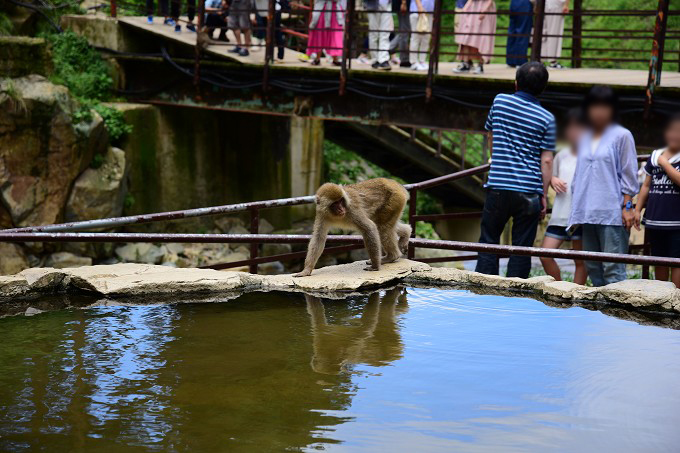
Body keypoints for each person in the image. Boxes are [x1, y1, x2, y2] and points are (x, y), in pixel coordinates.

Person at [475, 62, 556, 278]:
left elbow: (490, 136)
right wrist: (543, 195)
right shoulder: (547, 118)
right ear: (543, 88)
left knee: (489, 242)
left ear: (516, 83)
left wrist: (498, 158)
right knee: (521, 249)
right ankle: (515, 299)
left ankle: (482, 294)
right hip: (529, 191)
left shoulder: (500, 101)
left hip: (499, 186)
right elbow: (547, 161)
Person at [568, 86, 639, 287]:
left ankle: (617, 316)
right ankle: (600, 315)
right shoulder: (584, 136)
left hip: (612, 214)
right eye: (594, 107)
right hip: (587, 213)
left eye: (604, 107)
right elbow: (578, 176)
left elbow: (629, 174)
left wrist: (627, 208)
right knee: (593, 268)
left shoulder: (622, 135)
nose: (599, 112)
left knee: (613, 270)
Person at [539, 109, 587, 284]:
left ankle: (576, 296)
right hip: (560, 215)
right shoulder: (561, 155)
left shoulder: (591, 155)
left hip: (581, 218)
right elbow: (551, 175)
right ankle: (559, 289)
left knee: (580, 261)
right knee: (544, 254)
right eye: (571, 129)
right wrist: (552, 179)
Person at [635, 114, 680, 288]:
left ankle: (676, 301)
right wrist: (638, 209)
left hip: (677, 221)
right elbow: (646, 186)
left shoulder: (662, 160)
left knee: (677, 260)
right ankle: (661, 297)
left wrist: (665, 164)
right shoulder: (655, 156)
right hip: (655, 219)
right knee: (659, 258)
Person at [454, 0, 497, 74]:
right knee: (466, 36)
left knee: (482, 36)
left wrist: (485, 10)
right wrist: (466, 8)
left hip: (484, 6)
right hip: (473, 6)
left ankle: (480, 65)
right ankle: (466, 63)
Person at [307, 0, 345, 65]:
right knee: (319, 33)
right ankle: (317, 58)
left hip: (334, 9)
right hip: (322, 8)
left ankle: (335, 58)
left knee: (335, 34)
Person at [365, 0, 394, 70]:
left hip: (386, 4)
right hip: (373, 5)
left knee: (385, 33)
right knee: (374, 34)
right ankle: (375, 59)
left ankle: (383, 60)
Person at [541, 0, 569, 68]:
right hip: (555, 4)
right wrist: (566, 4)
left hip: (544, 4)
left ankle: (541, 59)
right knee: (554, 32)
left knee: (544, 32)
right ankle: (552, 61)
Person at [505, 0, 532, 67]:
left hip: (514, 3)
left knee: (512, 31)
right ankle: (520, 61)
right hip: (525, 4)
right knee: (523, 32)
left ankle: (510, 60)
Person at [408, 0, 433, 71]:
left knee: (426, 38)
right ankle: (413, 62)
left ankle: (422, 61)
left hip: (430, 12)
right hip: (417, 11)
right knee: (415, 37)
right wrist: (419, 7)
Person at [389, 0, 411, 67]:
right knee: (404, 32)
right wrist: (404, 3)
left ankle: (389, 48)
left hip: (403, 5)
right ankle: (404, 59)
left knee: (404, 32)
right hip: (403, 5)